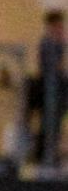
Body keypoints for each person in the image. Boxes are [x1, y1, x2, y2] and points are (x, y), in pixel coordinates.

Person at [33, 10, 65, 169]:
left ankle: (52, 152)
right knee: (48, 121)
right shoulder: (47, 43)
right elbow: (47, 66)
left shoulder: (59, 43)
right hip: (48, 87)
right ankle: (44, 153)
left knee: (55, 122)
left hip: (57, 87)